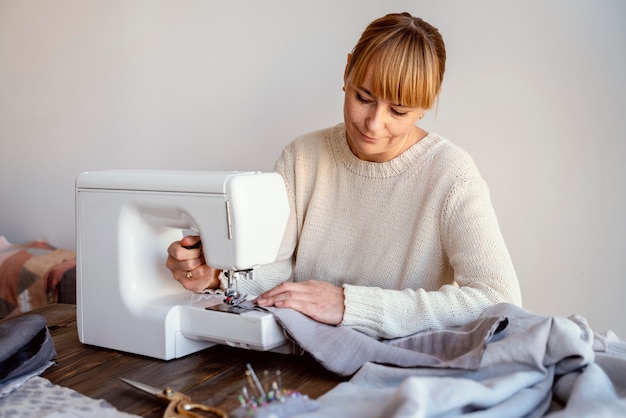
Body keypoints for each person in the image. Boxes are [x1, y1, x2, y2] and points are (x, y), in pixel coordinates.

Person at [166, 12, 522, 339]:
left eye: (398, 110)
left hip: (403, 365)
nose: (374, 123)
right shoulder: (302, 157)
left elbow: (500, 302)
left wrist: (350, 305)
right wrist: (214, 276)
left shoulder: (452, 175)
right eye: (364, 97)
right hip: (303, 357)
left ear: (428, 102)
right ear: (347, 71)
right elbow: (275, 274)